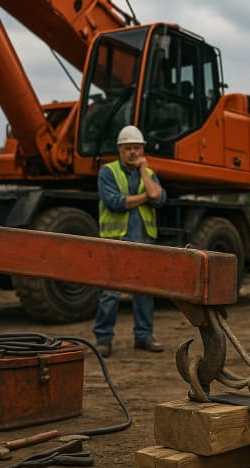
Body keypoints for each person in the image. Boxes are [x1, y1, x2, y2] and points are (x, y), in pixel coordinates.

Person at [93, 125, 167, 357]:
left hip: (143, 241)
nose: (133, 152)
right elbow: (116, 202)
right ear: (119, 150)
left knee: (144, 291)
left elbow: (160, 198)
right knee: (110, 293)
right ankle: (103, 339)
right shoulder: (108, 172)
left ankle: (144, 336)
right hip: (115, 241)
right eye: (128, 148)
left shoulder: (149, 174)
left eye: (136, 148)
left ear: (142, 150)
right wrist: (146, 196)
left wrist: (144, 171)